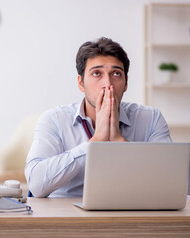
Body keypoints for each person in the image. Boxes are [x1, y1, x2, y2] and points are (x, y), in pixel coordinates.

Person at [25, 37, 171, 198]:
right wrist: (95, 142)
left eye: (116, 73)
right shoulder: (54, 120)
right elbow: (36, 184)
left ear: (126, 83)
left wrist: (118, 140)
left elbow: (170, 183)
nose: (107, 83)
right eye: (96, 73)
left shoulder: (151, 118)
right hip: (67, 216)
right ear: (81, 83)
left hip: (130, 214)